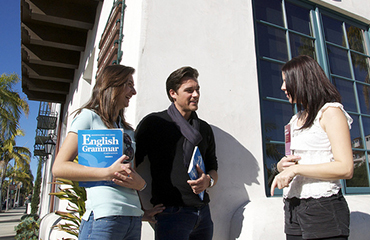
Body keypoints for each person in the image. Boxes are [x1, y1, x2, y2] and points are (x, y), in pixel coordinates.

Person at [52, 65, 162, 240]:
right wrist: (107, 173)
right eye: (129, 84)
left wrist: (142, 210)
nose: (133, 92)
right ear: (113, 85)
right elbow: (59, 167)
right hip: (103, 219)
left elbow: (129, 176)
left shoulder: (128, 131)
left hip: (133, 219)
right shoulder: (88, 117)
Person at [270, 55, 354, 240]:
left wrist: (297, 170)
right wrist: (281, 167)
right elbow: (294, 162)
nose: (283, 87)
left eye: (286, 81)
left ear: (302, 80)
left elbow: (346, 168)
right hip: (292, 209)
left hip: (323, 209)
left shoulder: (330, 112)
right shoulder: (294, 121)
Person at [134, 66, 218, 240]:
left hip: (203, 213)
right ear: (173, 93)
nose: (196, 95)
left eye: (197, 90)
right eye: (189, 90)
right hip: (171, 214)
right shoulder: (154, 123)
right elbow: (130, 166)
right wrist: (139, 210)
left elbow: (213, 166)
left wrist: (207, 181)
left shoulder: (204, 128)